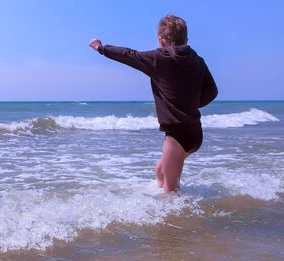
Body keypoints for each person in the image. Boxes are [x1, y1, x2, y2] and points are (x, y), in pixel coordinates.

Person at [90, 14, 218, 193]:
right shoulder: (198, 61)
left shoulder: (159, 58)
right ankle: (164, 213)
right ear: (186, 39)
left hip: (177, 135)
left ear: (161, 39)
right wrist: (190, 104)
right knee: (160, 173)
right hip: (195, 134)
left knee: (171, 194)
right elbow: (212, 91)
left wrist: (100, 48)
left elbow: (128, 55)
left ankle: (183, 218)